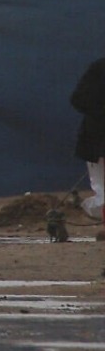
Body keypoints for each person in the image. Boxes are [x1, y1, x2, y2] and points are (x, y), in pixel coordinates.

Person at [71, 53, 105, 233]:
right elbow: (78, 100)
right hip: (98, 139)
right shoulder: (99, 69)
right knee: (103, 191)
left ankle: (84, 206)